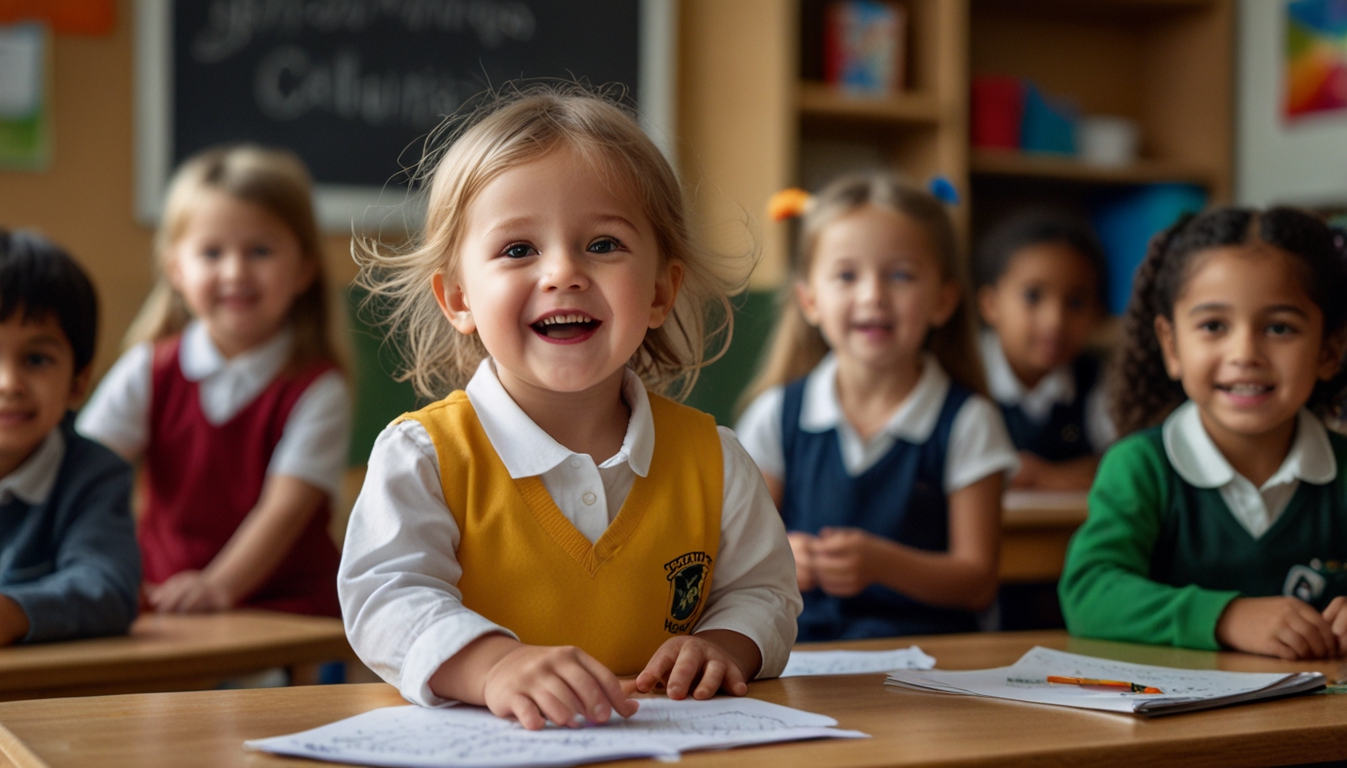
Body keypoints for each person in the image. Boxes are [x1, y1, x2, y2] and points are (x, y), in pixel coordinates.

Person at [340, 85, 801, 730]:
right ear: (459, 298)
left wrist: (725, 645)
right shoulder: (424, 456)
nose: (563, 272)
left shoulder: (713, 458)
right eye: (518, 250)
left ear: (662, 293)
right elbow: (385, 601)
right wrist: (493, 666)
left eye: (604, 244)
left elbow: (765, 593)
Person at [735, 173, 1016, 642]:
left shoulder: (969, 422)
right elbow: (734, 554)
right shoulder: (776, 414)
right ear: (809, 300)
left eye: (901, 275)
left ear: (943, 301)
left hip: (932, 667)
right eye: (846, 275)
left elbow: (978, 582)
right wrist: (781, 556)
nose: (873, 296)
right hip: (803, 664)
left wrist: (884, 565)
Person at [1061, 206, 1347, 660]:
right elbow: (1089, 594)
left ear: (1330, 350)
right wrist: (1227, 617)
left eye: (1279, 327)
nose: (1245, 353)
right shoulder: (1141, 466)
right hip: (1174, 726)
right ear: (1171, 346)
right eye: (1214, 326)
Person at [78, 145, 348, 617]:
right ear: (177, 270)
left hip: (286, 612)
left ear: (304, 268)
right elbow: (87, 475)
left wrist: (216, 586)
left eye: (260, 251)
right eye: (211, 252)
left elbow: (283, 511)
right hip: (166, 600)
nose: (235, 272)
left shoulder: (318, 389)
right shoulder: (149, 368)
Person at [0, 228, 140, 646]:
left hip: (43, 702)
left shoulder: (95, 476)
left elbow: (108, 588)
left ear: (78, 383)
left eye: (36, 359)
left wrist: (14, 614)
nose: (7, 383)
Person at [974, 211, 1114, 490]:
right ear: (990, 304)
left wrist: (1048, 477)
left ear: (1097, 313)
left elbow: (1128, 461)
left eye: (1075, 303)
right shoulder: (962, 372)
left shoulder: (1098, 382)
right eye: (1032, 296)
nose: (1055, 321)